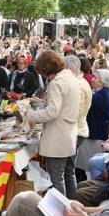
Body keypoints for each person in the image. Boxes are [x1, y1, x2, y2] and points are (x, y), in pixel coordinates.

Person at [26, 51, 80, 197]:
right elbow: (62, 105)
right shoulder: (71, 78)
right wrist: (45, 102)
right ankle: (70, 205)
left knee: (57, 180)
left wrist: (31, 116)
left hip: (57, 137)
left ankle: (60, 213)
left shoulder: (57, 83)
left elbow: (52, 112)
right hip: (68, 134)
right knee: (66, 176)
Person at [75, 69, 109, 182]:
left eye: (95, 78)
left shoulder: (101, 96)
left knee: (85, 163)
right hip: (96, 132)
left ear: (102, 82)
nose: (92, 79)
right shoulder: (101, 93)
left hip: (95, 133)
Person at [64, 55, 92, 198]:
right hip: (77, 130)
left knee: (68, 170)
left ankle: (70, 200)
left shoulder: (79, 85)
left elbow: (76, 112)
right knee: (69, 169)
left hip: (76, 131)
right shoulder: (79, 82)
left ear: (71, 68)